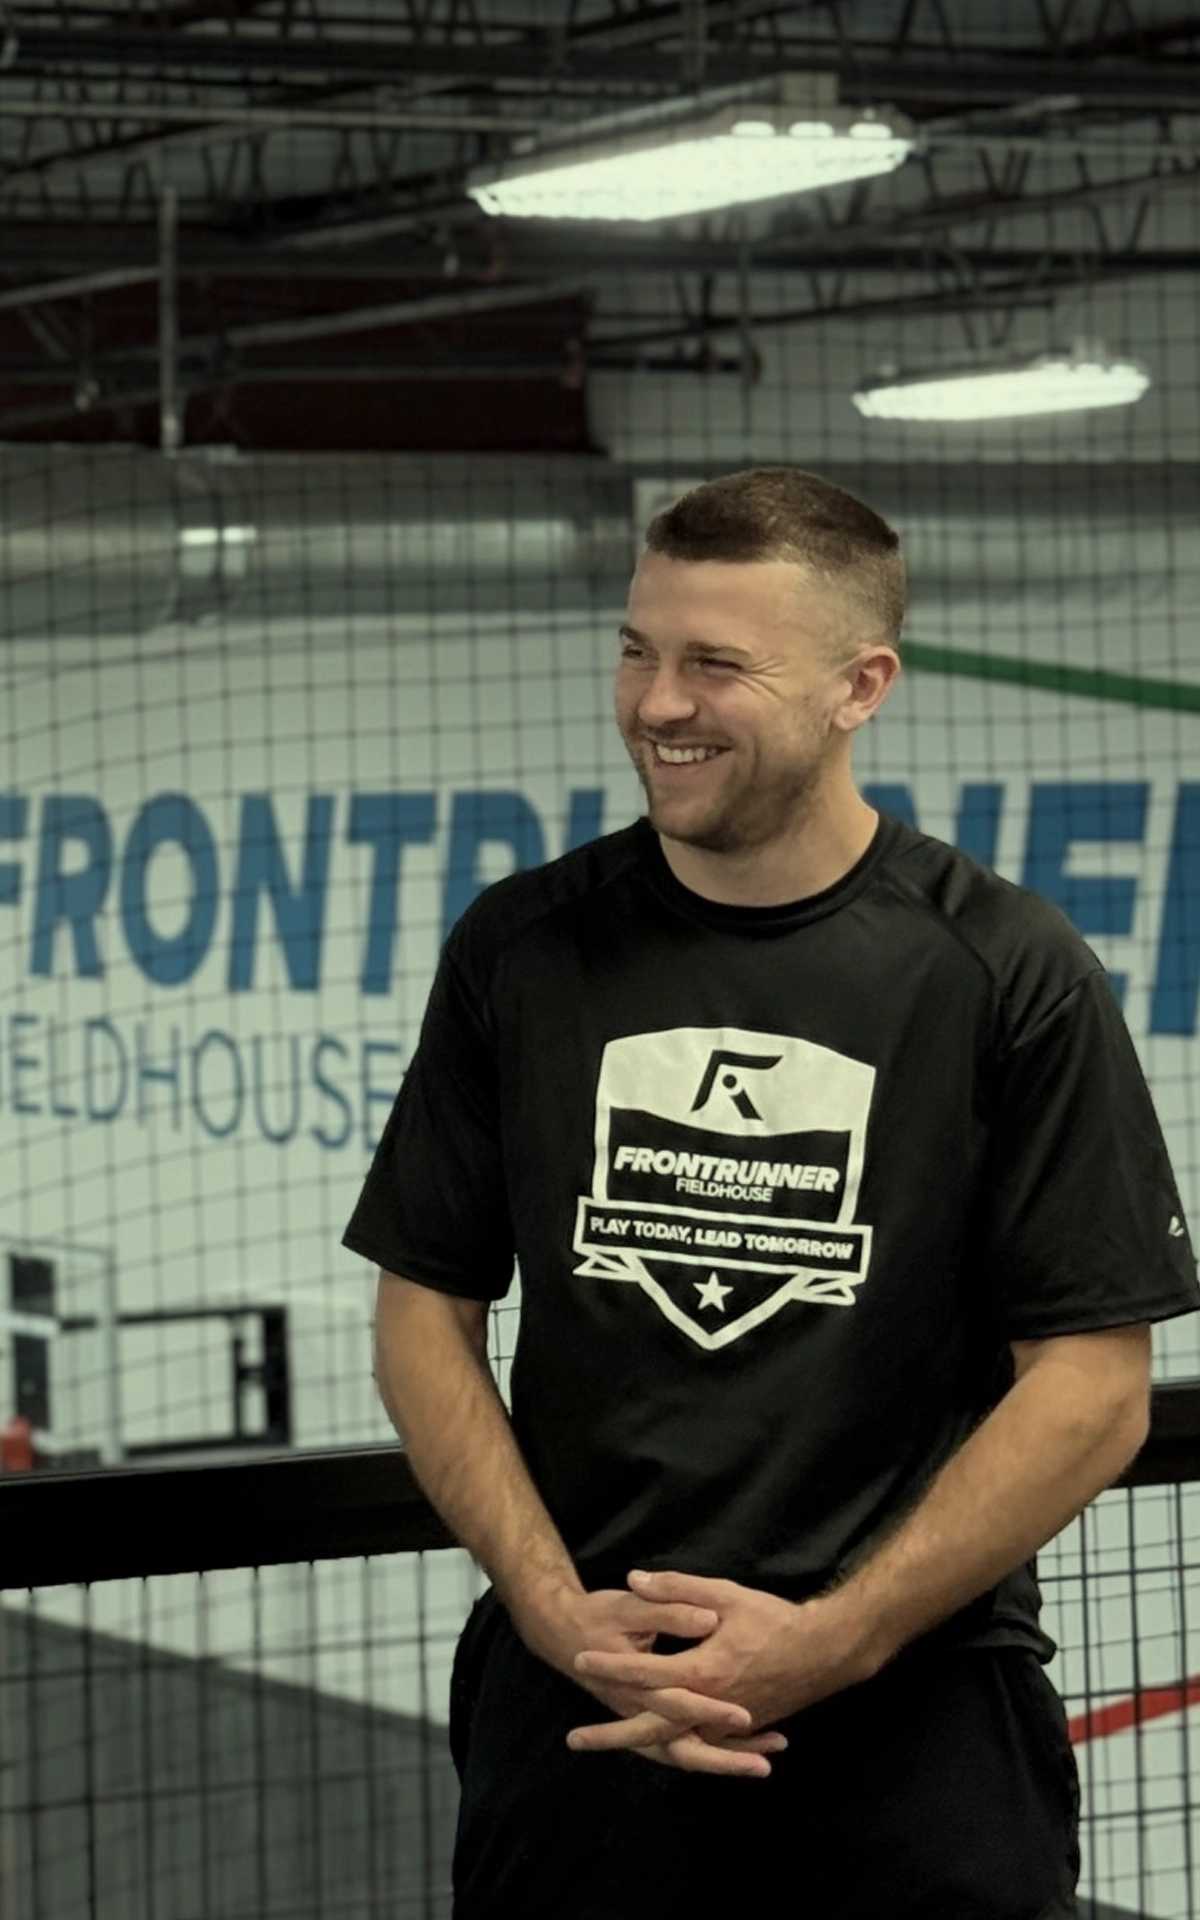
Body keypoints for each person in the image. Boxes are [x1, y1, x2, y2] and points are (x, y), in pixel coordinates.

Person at [346, 466, 1197, 1918]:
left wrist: (831, 1639)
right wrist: (557, 1613)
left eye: (713, 663)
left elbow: (1095, 1387)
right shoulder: (525, 948)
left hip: (916, 1713)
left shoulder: (1005, 969)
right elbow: (425, 1312)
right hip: (587, 1704)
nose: (656, 702)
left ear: (859, 685)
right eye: (637, 648)